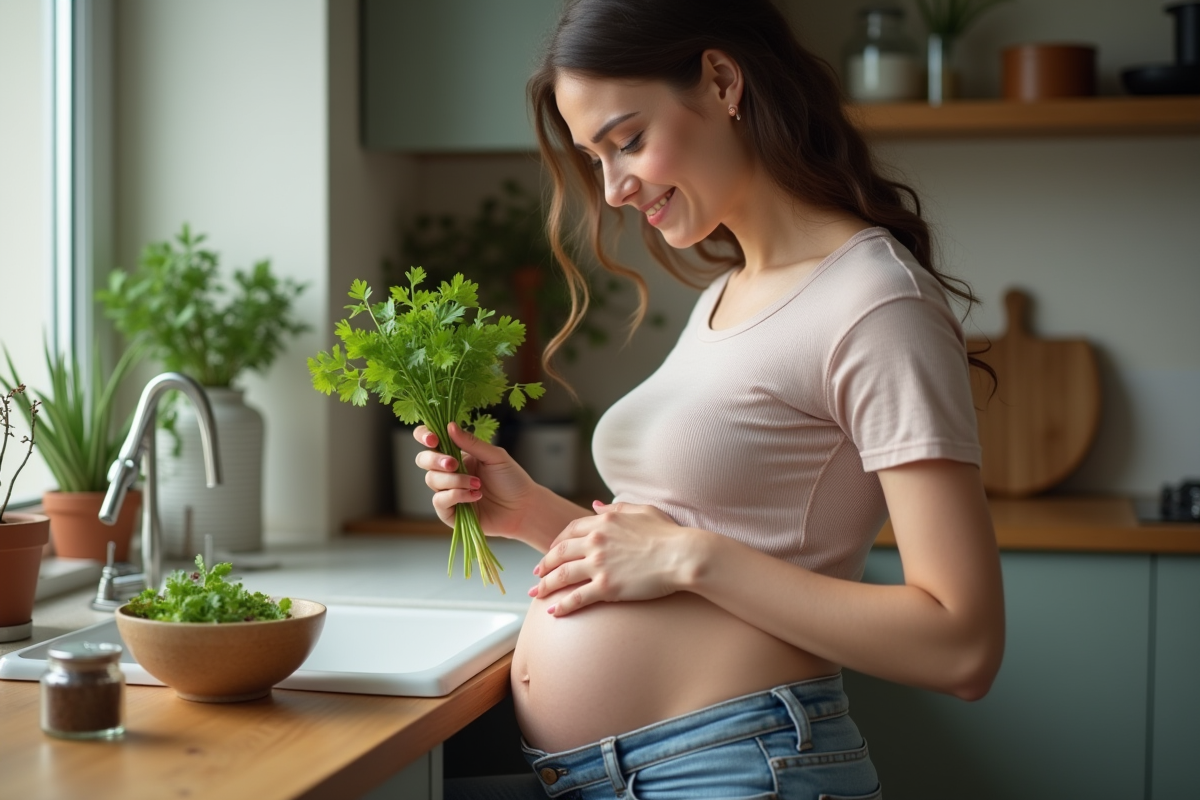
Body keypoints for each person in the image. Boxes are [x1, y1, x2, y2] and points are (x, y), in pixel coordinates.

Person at [417, 1, 1005, 797]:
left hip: (737, 767)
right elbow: (680, 552)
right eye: (595, 158)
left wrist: (691, 558)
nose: (615, 188)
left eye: (627, 141)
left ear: (723, 81)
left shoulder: (873, 302)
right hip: (631, 771)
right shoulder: (731, 290)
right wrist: (531, 516)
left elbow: (961, 644)